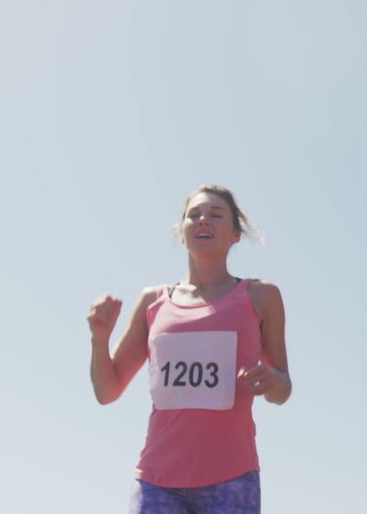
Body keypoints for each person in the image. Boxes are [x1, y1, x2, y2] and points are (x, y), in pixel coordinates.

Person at [87, 184, 292, 513]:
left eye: (215, 215)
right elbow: (107, 390)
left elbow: (283, 388)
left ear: (235, 234)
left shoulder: (261, 296)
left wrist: (272, 380)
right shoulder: (152, 302)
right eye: (193, 215)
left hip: (232, 480)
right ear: (182, 231)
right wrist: (99, 339)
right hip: (157, 481)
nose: (202, 221)